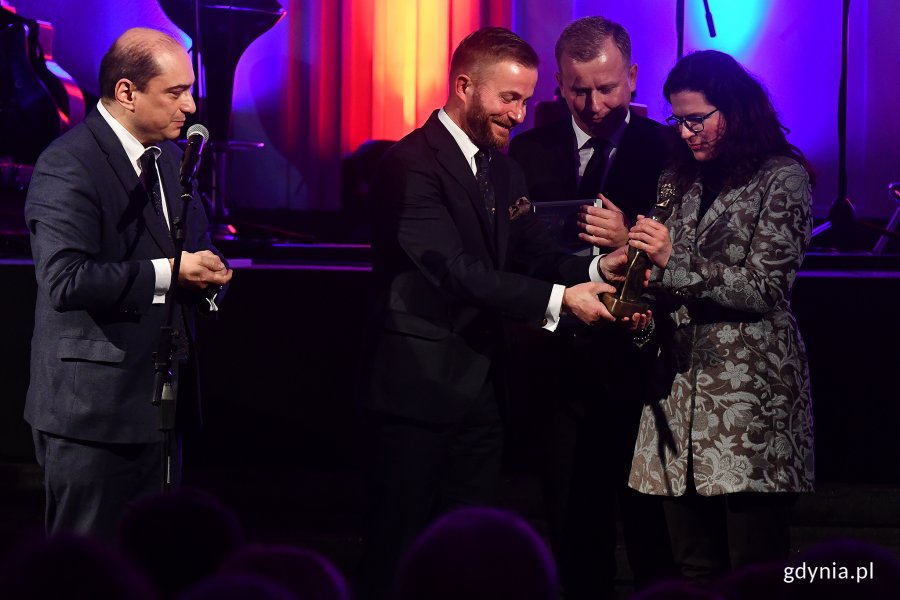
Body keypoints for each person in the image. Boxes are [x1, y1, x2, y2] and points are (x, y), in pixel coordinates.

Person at [357, 27, 647, 600]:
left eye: (526, 97)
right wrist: (562, 301)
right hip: (416, 390)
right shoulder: (409, 163)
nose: (520, 114)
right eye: (508, 98)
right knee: (400, 549)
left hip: (484, 388)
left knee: (467, 553)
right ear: (464, 86)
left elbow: (534, 251)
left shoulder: (503, 168)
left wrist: (597, 273)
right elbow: (455, 271)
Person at [24, 27, 232, 540]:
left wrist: (209, 281)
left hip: (161, 405)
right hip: (92, 413)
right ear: (126, 92)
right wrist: (172, 272)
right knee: (85, 569)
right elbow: (65, 279)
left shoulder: (167, 161)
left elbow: (192, 252)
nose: (190, 106)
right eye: (175, 92)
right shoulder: (68, 164)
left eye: (190, 91)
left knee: (154, 562)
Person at [624, 49, 815, 581]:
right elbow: (663, 276)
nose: (685, 133)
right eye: (676, 120)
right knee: (691, 565)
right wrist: (635, 281)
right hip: (677, 392)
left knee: (754, 567)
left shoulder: (783, 178)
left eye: (696, 119)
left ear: (732, 108)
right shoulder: (675, 178)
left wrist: (670, 260)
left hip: (748, 398)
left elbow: (765, 289)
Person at [508, 17, 672, 597]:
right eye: (579, 89)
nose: (594, 103)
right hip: (558, 366)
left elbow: (694, 254)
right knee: (573, 527)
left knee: (654, 531)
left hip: (646, 368)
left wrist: (631, 239)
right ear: (557, 83)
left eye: (606, 88)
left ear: (631, 78)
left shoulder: (670, 151)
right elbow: (509, 258)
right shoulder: (524, 152)